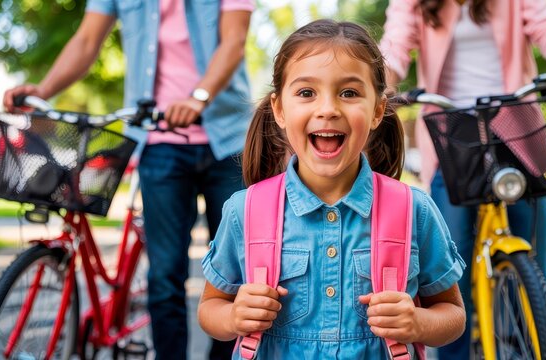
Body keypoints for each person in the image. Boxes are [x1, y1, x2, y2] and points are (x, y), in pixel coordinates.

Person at [197, 19, 467, 359]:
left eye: (349, 93)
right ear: (279, 109)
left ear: (377, 110)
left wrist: (417, 322)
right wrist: (234, 316)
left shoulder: (414, 209)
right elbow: (210, 308)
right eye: (307, 92)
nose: (328, 109)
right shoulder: (245, 210)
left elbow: (452, 315)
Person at [3, 0, 255, 359]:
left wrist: (198, 97)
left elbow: (234, 42)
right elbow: (88, 40)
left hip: (228, 139)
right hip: (159, 141)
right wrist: (43, 90)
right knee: (164, 277)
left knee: (237, 273)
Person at [379, 0, 546, 358]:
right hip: (452, 129)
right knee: (449, 268)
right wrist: (380, 83)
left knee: (534, 248)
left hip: (514, 123)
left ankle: (529, 339)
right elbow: (396, 43)